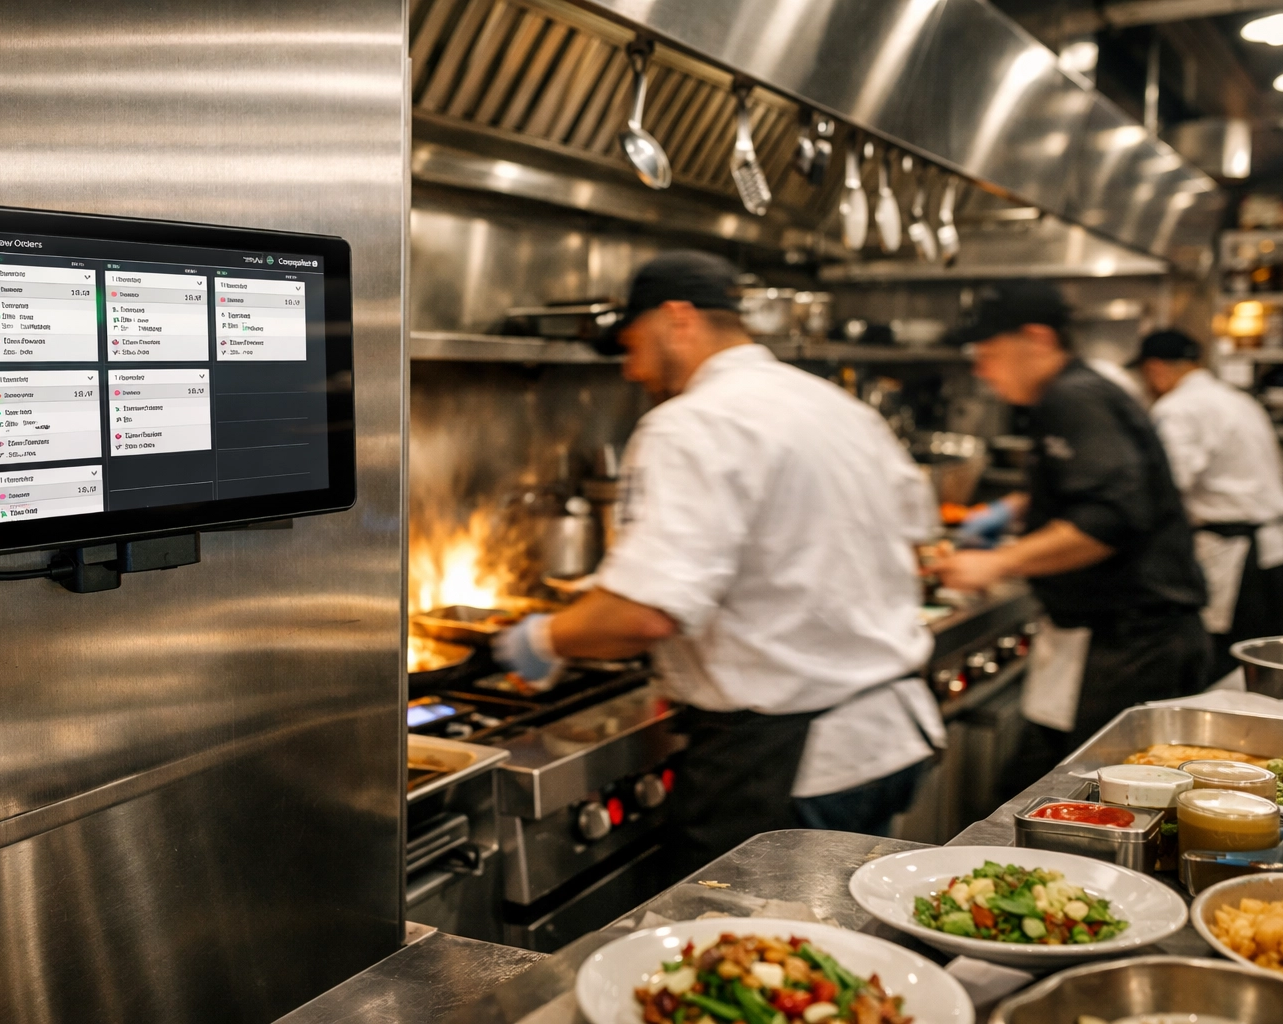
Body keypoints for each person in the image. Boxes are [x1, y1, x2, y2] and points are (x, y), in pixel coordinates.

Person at [493, 251, 945, 877]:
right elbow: (912, 541)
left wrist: (543, 639)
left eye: (632, 344)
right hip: (888, 734)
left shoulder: (689, 423)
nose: (629, 368)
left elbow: (645, 615)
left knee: (745, 934)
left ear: (677, 318)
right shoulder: (837, 407)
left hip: (790, 760)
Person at [936, 282, 1209, 795]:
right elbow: (1095, 486)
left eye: (988, 351)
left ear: (1037, 339)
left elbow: (1112, 516)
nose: (981, 369)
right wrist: (1014, 507)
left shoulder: (1073, 398)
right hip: (1117, 640)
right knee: (1047, 793)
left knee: (1094, 801)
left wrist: (997, 562)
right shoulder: (1074, 392)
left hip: (1131, 645)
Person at [1131, 329, 1283, 680]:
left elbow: (1165, 487)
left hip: (1237, 555)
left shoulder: (1178, 408)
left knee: (1229, 668)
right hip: (1275, 549)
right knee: (1262, 666)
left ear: (1155, 368)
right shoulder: (1236, 399)